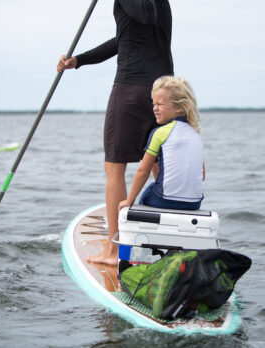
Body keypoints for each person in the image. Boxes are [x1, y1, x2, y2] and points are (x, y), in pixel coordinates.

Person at [57, 0, 174, 266]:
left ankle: (114, 252)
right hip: (167, 90)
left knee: (114, 166)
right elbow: (123, 39)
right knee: (159, 163)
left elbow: (144, 15)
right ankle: (168, 248)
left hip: (132, 88)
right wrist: (80, 60)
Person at [118, 76, 205, 212]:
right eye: (154, 104)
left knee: (149, 192)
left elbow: (143, 171)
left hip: (163, 199)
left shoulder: (159, 132)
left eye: (159, 104)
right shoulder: (196, 133)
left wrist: (129, 200)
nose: (154, 108)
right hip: (194, 203)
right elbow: (202, 174)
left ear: (178, 108)